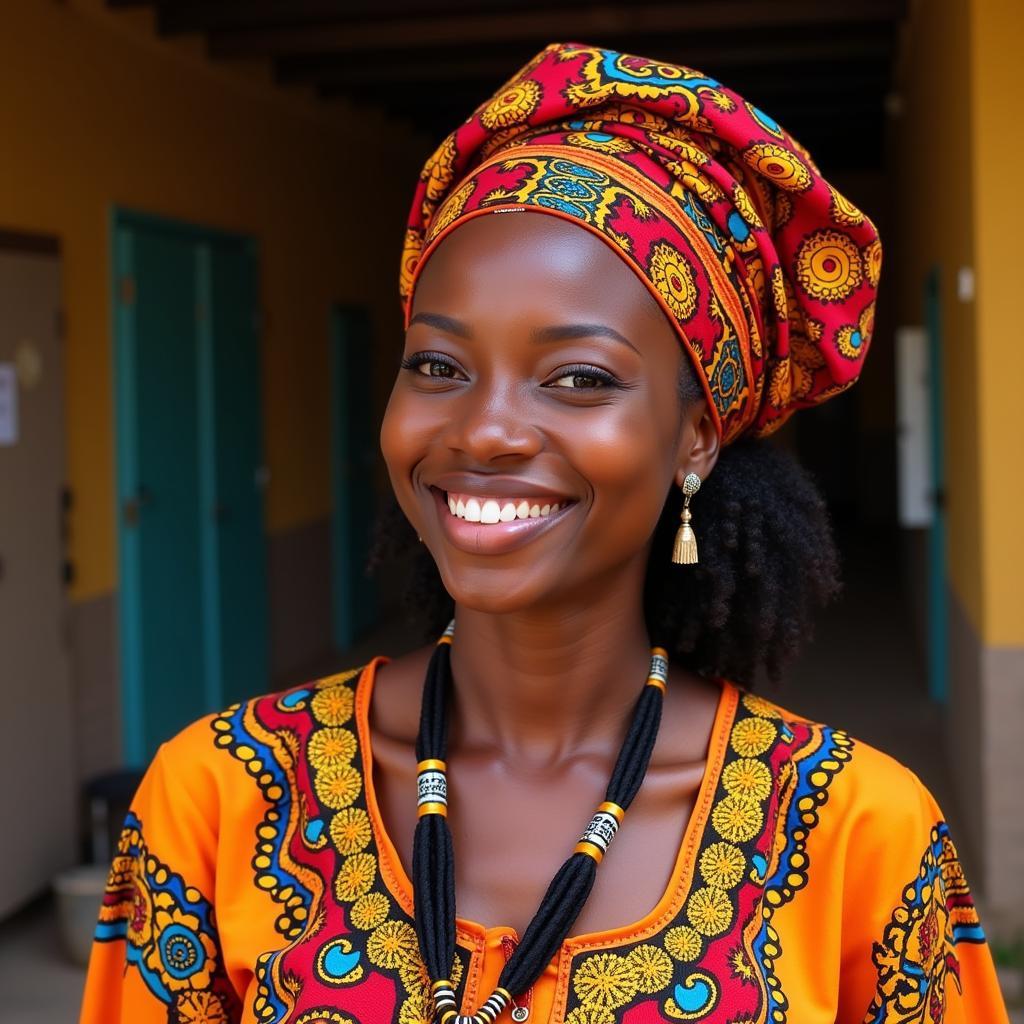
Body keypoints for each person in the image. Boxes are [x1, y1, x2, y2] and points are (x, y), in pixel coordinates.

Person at [80, 42, 1010, 1024]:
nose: (481, 429)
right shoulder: (220, 799)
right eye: (437, 366)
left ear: (695, 439)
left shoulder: (858, 833)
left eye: (579, 379)